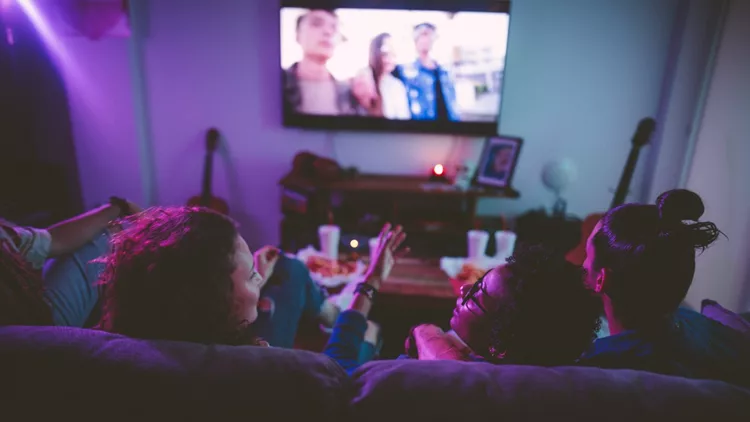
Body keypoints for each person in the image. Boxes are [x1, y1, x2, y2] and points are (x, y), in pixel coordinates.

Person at [97, 207, 407, 372]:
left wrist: (255, 267)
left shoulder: (125, 345)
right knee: (369, 332)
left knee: (290, 268)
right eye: (250, 277)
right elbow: (336, 371)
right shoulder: (260, 369)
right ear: (212, 302)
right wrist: (369, 285)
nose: (259, 278)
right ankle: (341, 314)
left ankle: (329, 310)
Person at [578, 189, 750, 387]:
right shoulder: (701, 324)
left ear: (601, 279)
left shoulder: (598, 367)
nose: (582, 263)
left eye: (587, 254)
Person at [406, 245, 601, 366]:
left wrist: (425, 331)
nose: (464, 290)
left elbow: (450, 370)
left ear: (499, 346)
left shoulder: (475, 383)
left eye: (476, 295)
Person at [0, 197, 139, 327]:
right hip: (34, 323)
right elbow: (55, 241)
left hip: (27, 305)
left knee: (108, 231)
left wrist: (117, 207)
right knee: (113, 236)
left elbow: (52, 241)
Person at [283, 9, 360, 116]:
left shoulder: (349, 93)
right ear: (297, 35)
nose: (328, 32)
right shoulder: (277, 83)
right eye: (317, 24)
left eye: (334, 27)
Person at [393, 22, 459, 121]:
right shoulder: (405, 71)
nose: (427, 39)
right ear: (415, 39)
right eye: (423, 34)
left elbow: (453, 104)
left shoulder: (445, 72)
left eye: (430, 34)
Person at [351, 33, 410, 119]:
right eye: (385, 53)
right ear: (375, 52)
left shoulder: (397, 85)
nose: (390, 58)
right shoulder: (364, 78)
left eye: (393, 53)